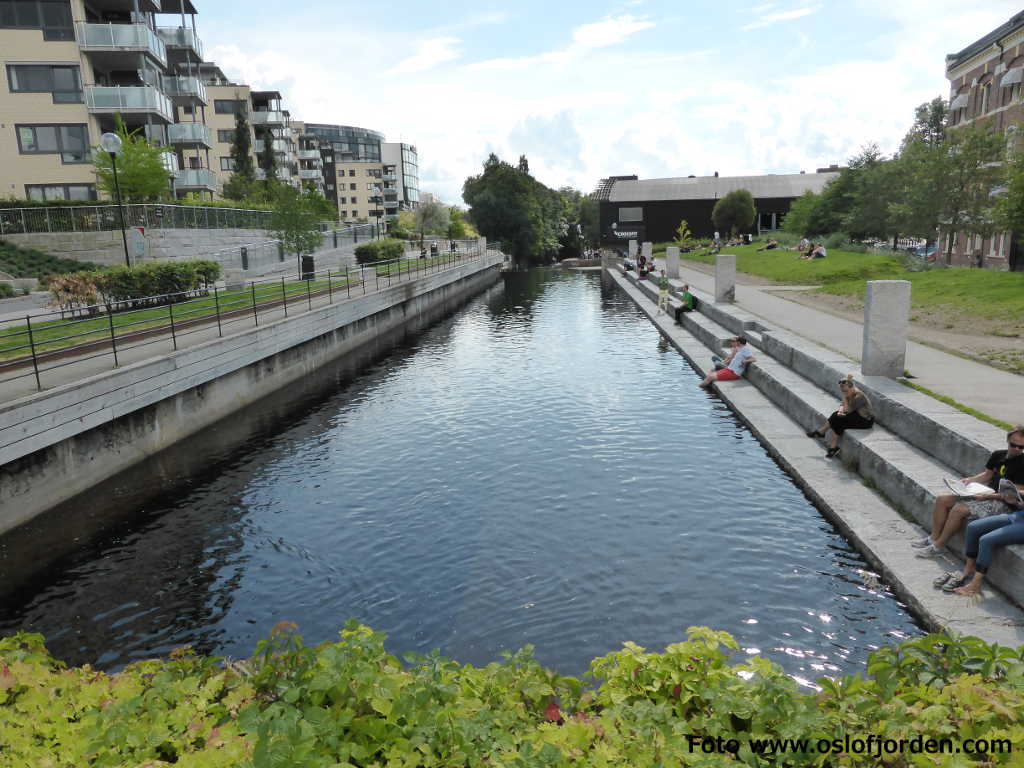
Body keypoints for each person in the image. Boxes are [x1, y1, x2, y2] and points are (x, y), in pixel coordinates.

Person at [913, 427, 1024, 560]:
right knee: (942, 499)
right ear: (1007, 440)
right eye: (1014, 445)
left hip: (1004, 503)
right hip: (986, 494)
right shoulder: (998, 455)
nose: (1017, 449)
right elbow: (987, 475)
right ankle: (933, 538)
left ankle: (938, 547)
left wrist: (986, 496)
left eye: (1021, 447)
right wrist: (968, 481)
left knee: (959, 509)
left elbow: (1013, 494)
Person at [806, 373, 874, 458]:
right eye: (843, 391)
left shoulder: (858, 397)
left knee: (839, 419)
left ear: (852, 387)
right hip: (856, 414)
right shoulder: (850, 393)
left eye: (846, 391)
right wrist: (840, 411)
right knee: (837, 416)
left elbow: (847, 410)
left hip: (865, 420)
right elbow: (843, 406)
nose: (844, 393)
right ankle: (831, 445)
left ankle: (823, 434)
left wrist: (844, 399)